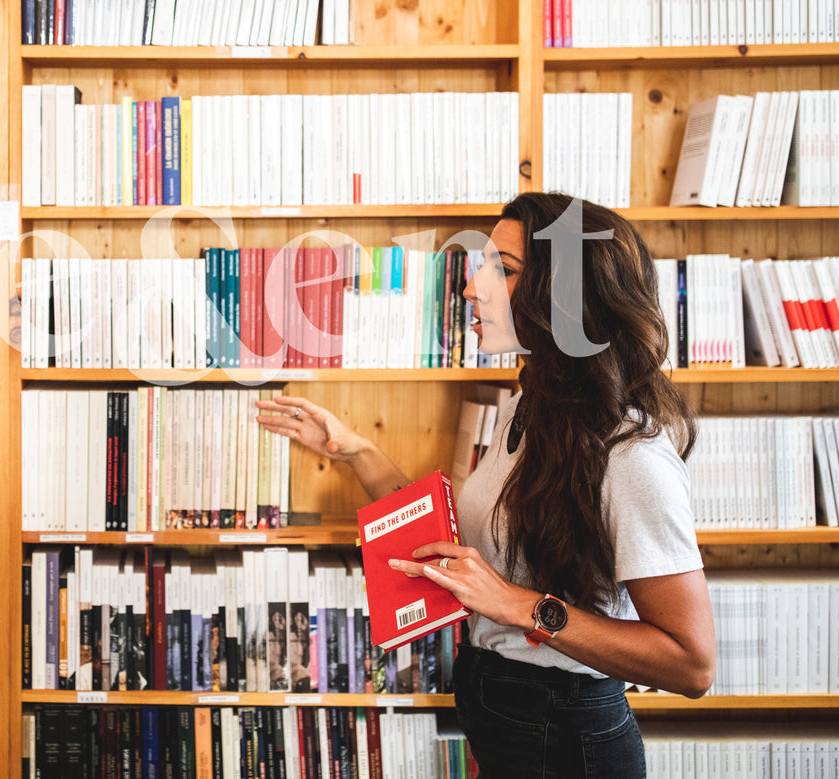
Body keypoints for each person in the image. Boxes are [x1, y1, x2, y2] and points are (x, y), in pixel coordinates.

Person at [256, 192, 716, 778]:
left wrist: (515, 605)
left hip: (564, 737)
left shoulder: (630, 455)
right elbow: (454, 539)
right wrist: (356, 450)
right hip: (504, 713)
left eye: (505, 269)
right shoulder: (531, 406)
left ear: (567, 297)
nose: (472, 287)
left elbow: (692, 665)